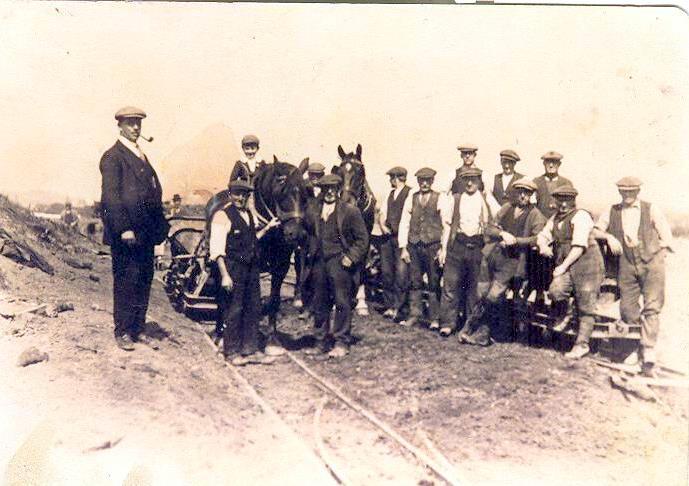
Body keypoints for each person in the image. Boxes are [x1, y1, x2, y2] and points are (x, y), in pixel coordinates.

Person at [99, 106, 169, 351]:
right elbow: (110, 198)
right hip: (127, 234)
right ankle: (123, 332)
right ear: (120, 125)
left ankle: (138, 329)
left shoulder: (141, 155)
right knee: (126, 280)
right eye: (130, 123)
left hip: (146, 234)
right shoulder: (113, 156)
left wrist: (160, 229)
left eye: (138, 123)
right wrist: (123, 228)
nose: (136, 128)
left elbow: (153, 194)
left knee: (144, 280)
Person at [591, 176, 674, 373]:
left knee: (652, 307)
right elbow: (594, 232)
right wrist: (609, 236)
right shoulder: (612, 211)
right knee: (628, 309)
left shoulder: (650, 209)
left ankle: (648, 350)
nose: (627, 195)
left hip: (652, 264)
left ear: (638, 191)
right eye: (624, 191)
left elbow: (667, 237)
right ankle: (634, 349)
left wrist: (654, 253)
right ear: (619, 192)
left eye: (631, 191)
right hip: (626, 265)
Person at [460, 179, 546, 345]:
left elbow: (537, 238)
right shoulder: (507, 208)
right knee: (482, 293)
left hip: (513, 261)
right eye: (520, 191)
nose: (522, 196)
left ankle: (478, 330)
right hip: (494, 256)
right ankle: (478, 330)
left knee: (493, 296)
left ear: (531, 195)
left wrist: (516, 240)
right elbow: (489, 227)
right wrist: (501, 234)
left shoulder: (536, 215)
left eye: (526, 193)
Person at [209, 179, 280, 366]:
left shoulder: (249, 214)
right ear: (231, 194)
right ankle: (231, 352)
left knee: (253, 307)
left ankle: (250, 349)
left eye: (244, 194)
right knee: (234, 309)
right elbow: (216, 250)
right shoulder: (222, 216)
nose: (241, 198)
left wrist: (267, 228)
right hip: (233, 268)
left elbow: (252, 239)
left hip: (251, 268)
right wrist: (225, 275)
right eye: (237, 194)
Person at [537, 185, 604, 360]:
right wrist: (543, 245)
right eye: (560, 200)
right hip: (569, 264)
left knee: (586, 304)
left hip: (587, 264)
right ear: (555, 201)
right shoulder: (555, 218)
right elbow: (543, 235)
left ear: (574, 200)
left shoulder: (581, 216)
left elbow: (579, 246)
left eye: (567, 200)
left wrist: (562, 267)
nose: (563, 204)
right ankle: (567, 314)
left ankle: (581, 345)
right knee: (556, 290)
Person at [305, 174, 369, 358]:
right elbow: (306, 230)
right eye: (326, 189)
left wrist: (351, 257)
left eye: (333, 189)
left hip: (339, 262)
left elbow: (362, 240)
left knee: (342, 302)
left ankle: (341, 341)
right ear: (322, 190)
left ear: (339, 189)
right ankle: (321, 341)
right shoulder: (314, 210)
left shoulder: (350, 211)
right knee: (320, 302)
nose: (330, 192)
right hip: (319, 262)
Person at [437, 167, 492, 337]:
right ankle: (447, 323)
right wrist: (444, 249)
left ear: (479, 181)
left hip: (477, 246)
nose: (469, 183)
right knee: (450, 285)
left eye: (473, 179)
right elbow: (446, 225)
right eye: (466, 179)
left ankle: (470, 325)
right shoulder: (456, 199)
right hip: (458, 245)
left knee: (474, 288)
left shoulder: (484, 199)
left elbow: (494, 219)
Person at [398, 168, 445, 329]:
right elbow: (404, 222)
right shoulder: (411, 198)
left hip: (432, 246)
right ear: (418, 182)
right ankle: (415, 315)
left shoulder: (440, 198)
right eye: (421, 180)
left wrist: (442, 248)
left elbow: (446, 224)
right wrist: (404, 247)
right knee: (415, 281)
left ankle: (435, 318)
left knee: (433, 282)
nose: (424, 183)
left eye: (427, 180)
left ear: (432, 181)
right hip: (414, 245)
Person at [377, 166, 411, 321]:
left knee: (401, 274)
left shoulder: (410, 193)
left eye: (392, 177)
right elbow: (382, 213)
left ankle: (399, 307)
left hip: (402, 239)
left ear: (398, 178)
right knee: (386, 272)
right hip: (388, 238)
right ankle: (390, 306)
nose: (391, 180)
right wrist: (383, 226)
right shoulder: (390, 194)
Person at [533, 151, 573, 219]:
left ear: (559, 164)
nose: (551, 165)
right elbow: (532, 206)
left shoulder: (567, 183)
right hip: (540, 221)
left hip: (560, 221)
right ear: (544, 163)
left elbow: (571, 206)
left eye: (554, 162)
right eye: (548, 162)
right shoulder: (536, 182)